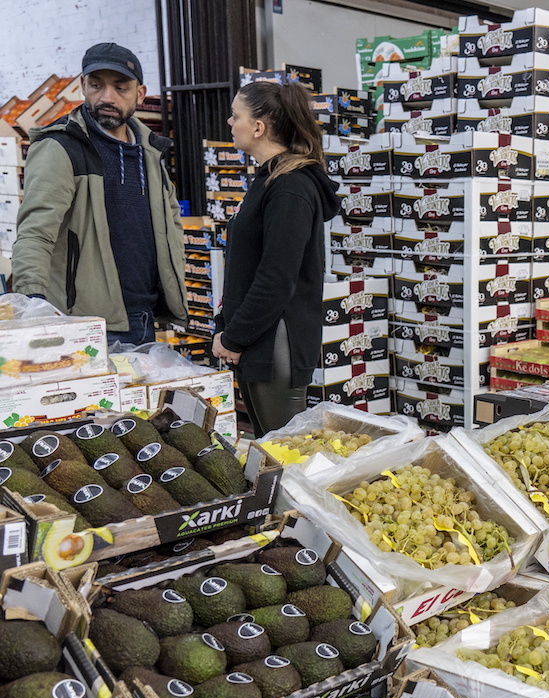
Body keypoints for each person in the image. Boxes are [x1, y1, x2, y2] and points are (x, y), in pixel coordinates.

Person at [12, 42, 186, 345]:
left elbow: (171, 223)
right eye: (96, 85)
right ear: (82, 85)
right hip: (86, 323)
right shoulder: (62, 147)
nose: (107, 97)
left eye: (120, 88)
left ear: (140, 94)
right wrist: (32, 299)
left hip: (145, 315)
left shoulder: (150, 150)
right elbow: (35, 232)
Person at [212, 80, 338, 437]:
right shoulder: (268, 180)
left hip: (275, 346)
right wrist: (226, 325)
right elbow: (246, 267)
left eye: (235, 116)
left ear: (258, 127)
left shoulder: (291, 187)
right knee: (272, 448)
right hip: (258, 342)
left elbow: (276, 279)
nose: (230, 123)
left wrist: (234, 337)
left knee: (288, 455)